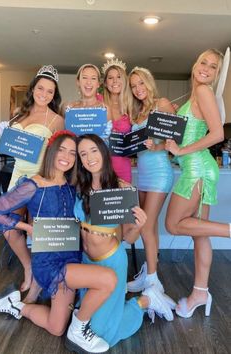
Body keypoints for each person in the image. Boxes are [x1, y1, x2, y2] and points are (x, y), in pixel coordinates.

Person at [0, 131, 116, 353]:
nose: (67, 157)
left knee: (56, 327)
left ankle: (15, 305)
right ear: (51, 151)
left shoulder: (74, 184)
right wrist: (27, 227)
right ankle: (79, 330)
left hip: (73, 255)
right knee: (108, 279)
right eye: (62, 150)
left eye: (72, 153)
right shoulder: (33, 185)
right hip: (50, 262)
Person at [71, 133, 175, 349]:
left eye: (94, 151)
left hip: (111, 262)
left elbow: (129, 237)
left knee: (101, 333)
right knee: (86, 321)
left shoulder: (122, 188)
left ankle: (145, 301)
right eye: (83, 154)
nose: (89, 158)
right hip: (86, 262)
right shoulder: (79, 185)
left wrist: (139, 224)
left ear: (104, 152)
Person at [164, 49, 231, 318]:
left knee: (172, 224)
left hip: (197, 169)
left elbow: (216, 134)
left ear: (216, 75)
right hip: (199, 168)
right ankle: (200, 293)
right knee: (199, 233)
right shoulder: (196, 94)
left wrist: (181, 151)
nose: (206, 68)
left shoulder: (203, 91)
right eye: (203, 62)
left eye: (213, 67)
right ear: (195, 64)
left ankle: (228, 229)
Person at [4, 65, 64, 299]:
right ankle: (28, 266)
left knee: (40, 233)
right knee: (9, 228)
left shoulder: (57, 120)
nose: (45, 94)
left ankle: (43, 278)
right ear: (33, 89)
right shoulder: (19, 114)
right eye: (41, 88)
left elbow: (57, 155)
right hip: (17, 178)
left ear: (54, 95)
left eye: (50, 91)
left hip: (39, 180)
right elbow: (13, 148)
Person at [127, 67, 175, 296]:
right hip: (143, 174)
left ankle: (154, 283)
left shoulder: (162, 104)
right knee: (151, 227)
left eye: (141, 84)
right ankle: (148, 272)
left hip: (160, 172)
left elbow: (176, 140)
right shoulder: (136, 114)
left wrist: (157, 146)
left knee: (144, 225)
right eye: (134, 86)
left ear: (149, 82)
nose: (138, 89)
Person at [102, 59, 132, 182]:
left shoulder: (131, 106)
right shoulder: (98, 102)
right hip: (100, 165)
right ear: (104, 83)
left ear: (124, 81)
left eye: (119, 77)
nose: (115, 81)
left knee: (123, 200)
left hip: (122, 165)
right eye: (110, 78)